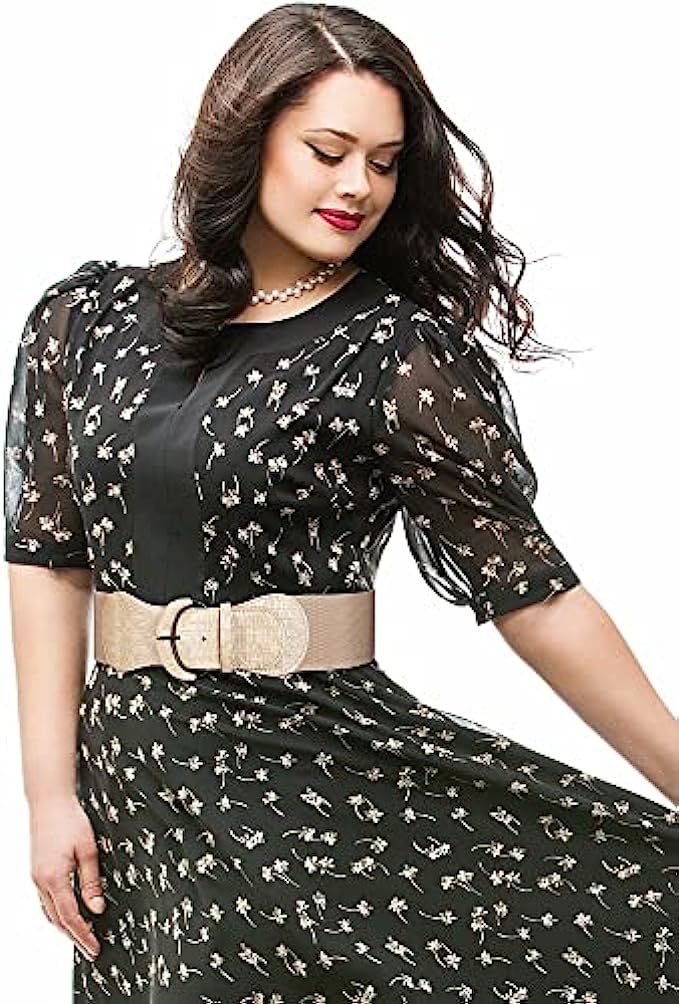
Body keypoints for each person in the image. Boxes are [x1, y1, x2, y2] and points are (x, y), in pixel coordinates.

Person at [4, 4, 678, 1001]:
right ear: (245, 136)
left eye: (385, 162)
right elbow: (48, 557)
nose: (358, 185)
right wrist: (47, 794)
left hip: (311, 787)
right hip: (133, 795)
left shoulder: (395, 352)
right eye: (327, 151)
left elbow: (533, 596)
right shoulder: (86, 319)